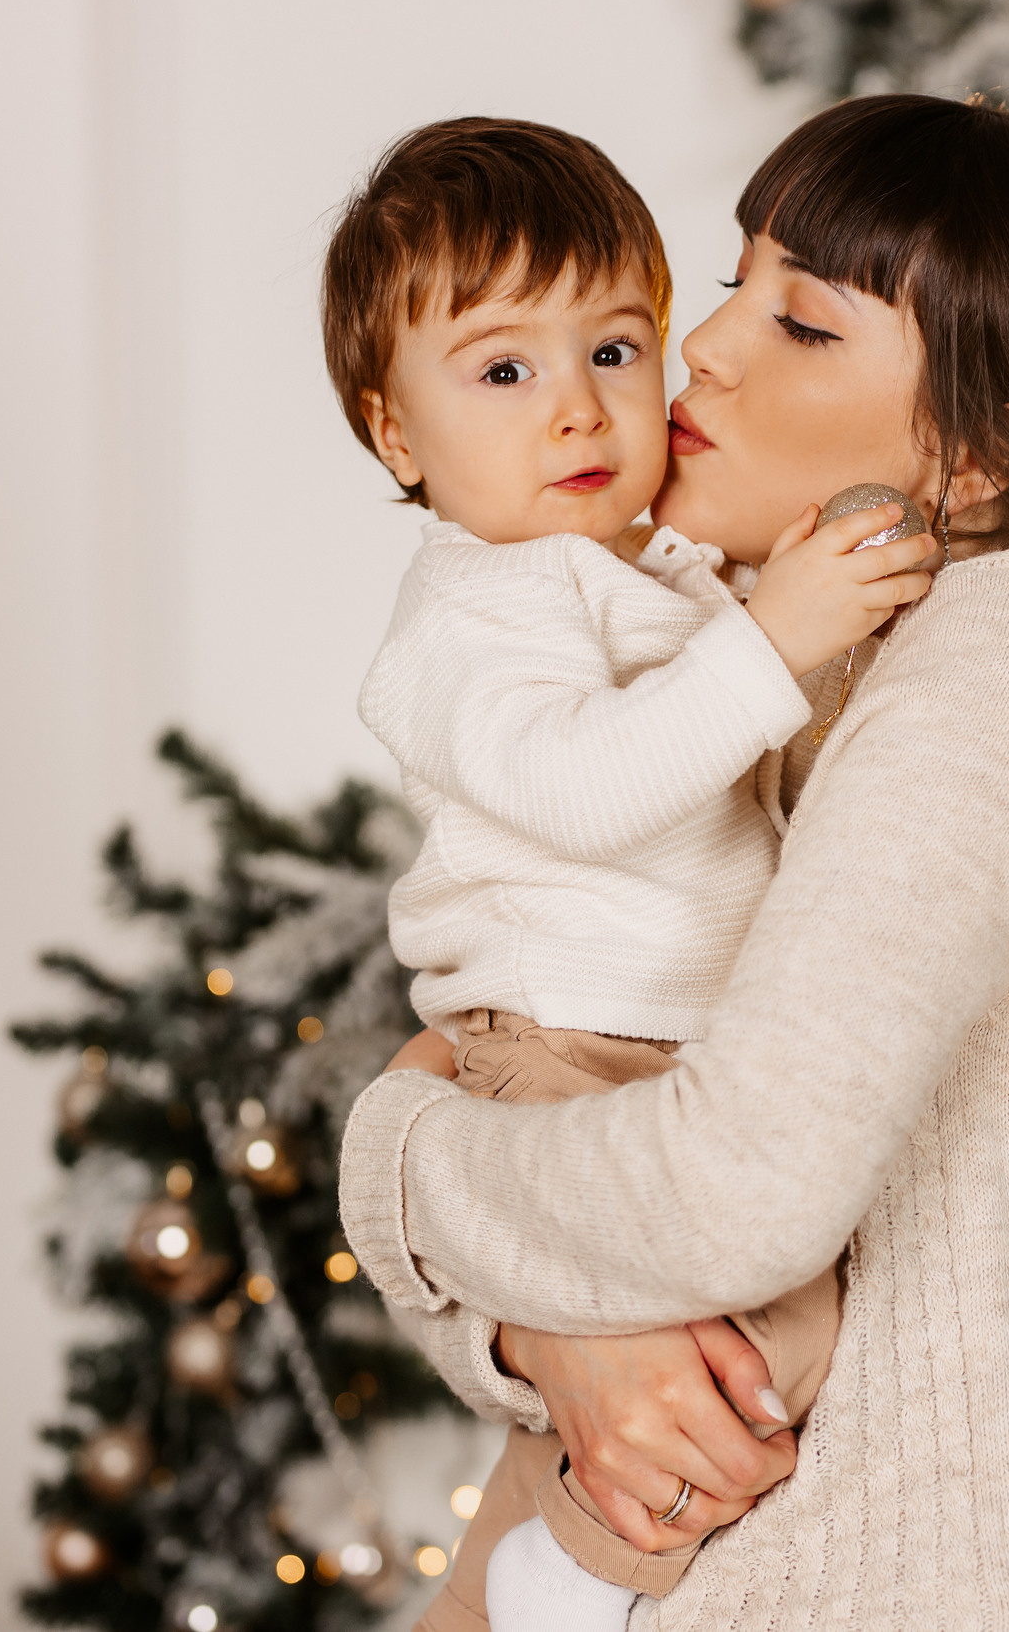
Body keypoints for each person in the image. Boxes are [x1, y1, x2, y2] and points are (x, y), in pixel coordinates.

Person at [340, 92, 1009, 1631]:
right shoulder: (793, 652)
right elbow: (637, 1213)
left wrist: (404, 1176)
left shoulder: (996, 663)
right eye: (734, 282)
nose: (702, 349)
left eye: (805, 325)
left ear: (972, 453)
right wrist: (549, 1336)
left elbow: (729, 1195)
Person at [320, 116, 938, 1632]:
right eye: (504, 371)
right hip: (553, 1051)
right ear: (396, 434)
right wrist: (777, 632)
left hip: (672, 1060)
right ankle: (571, 1575)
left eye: (617, 349)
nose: (583, 411)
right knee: (749, 1340)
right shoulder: (469, 620)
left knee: (743, 1340)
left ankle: (540, 1578)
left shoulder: (649, 566)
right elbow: (594, 787)